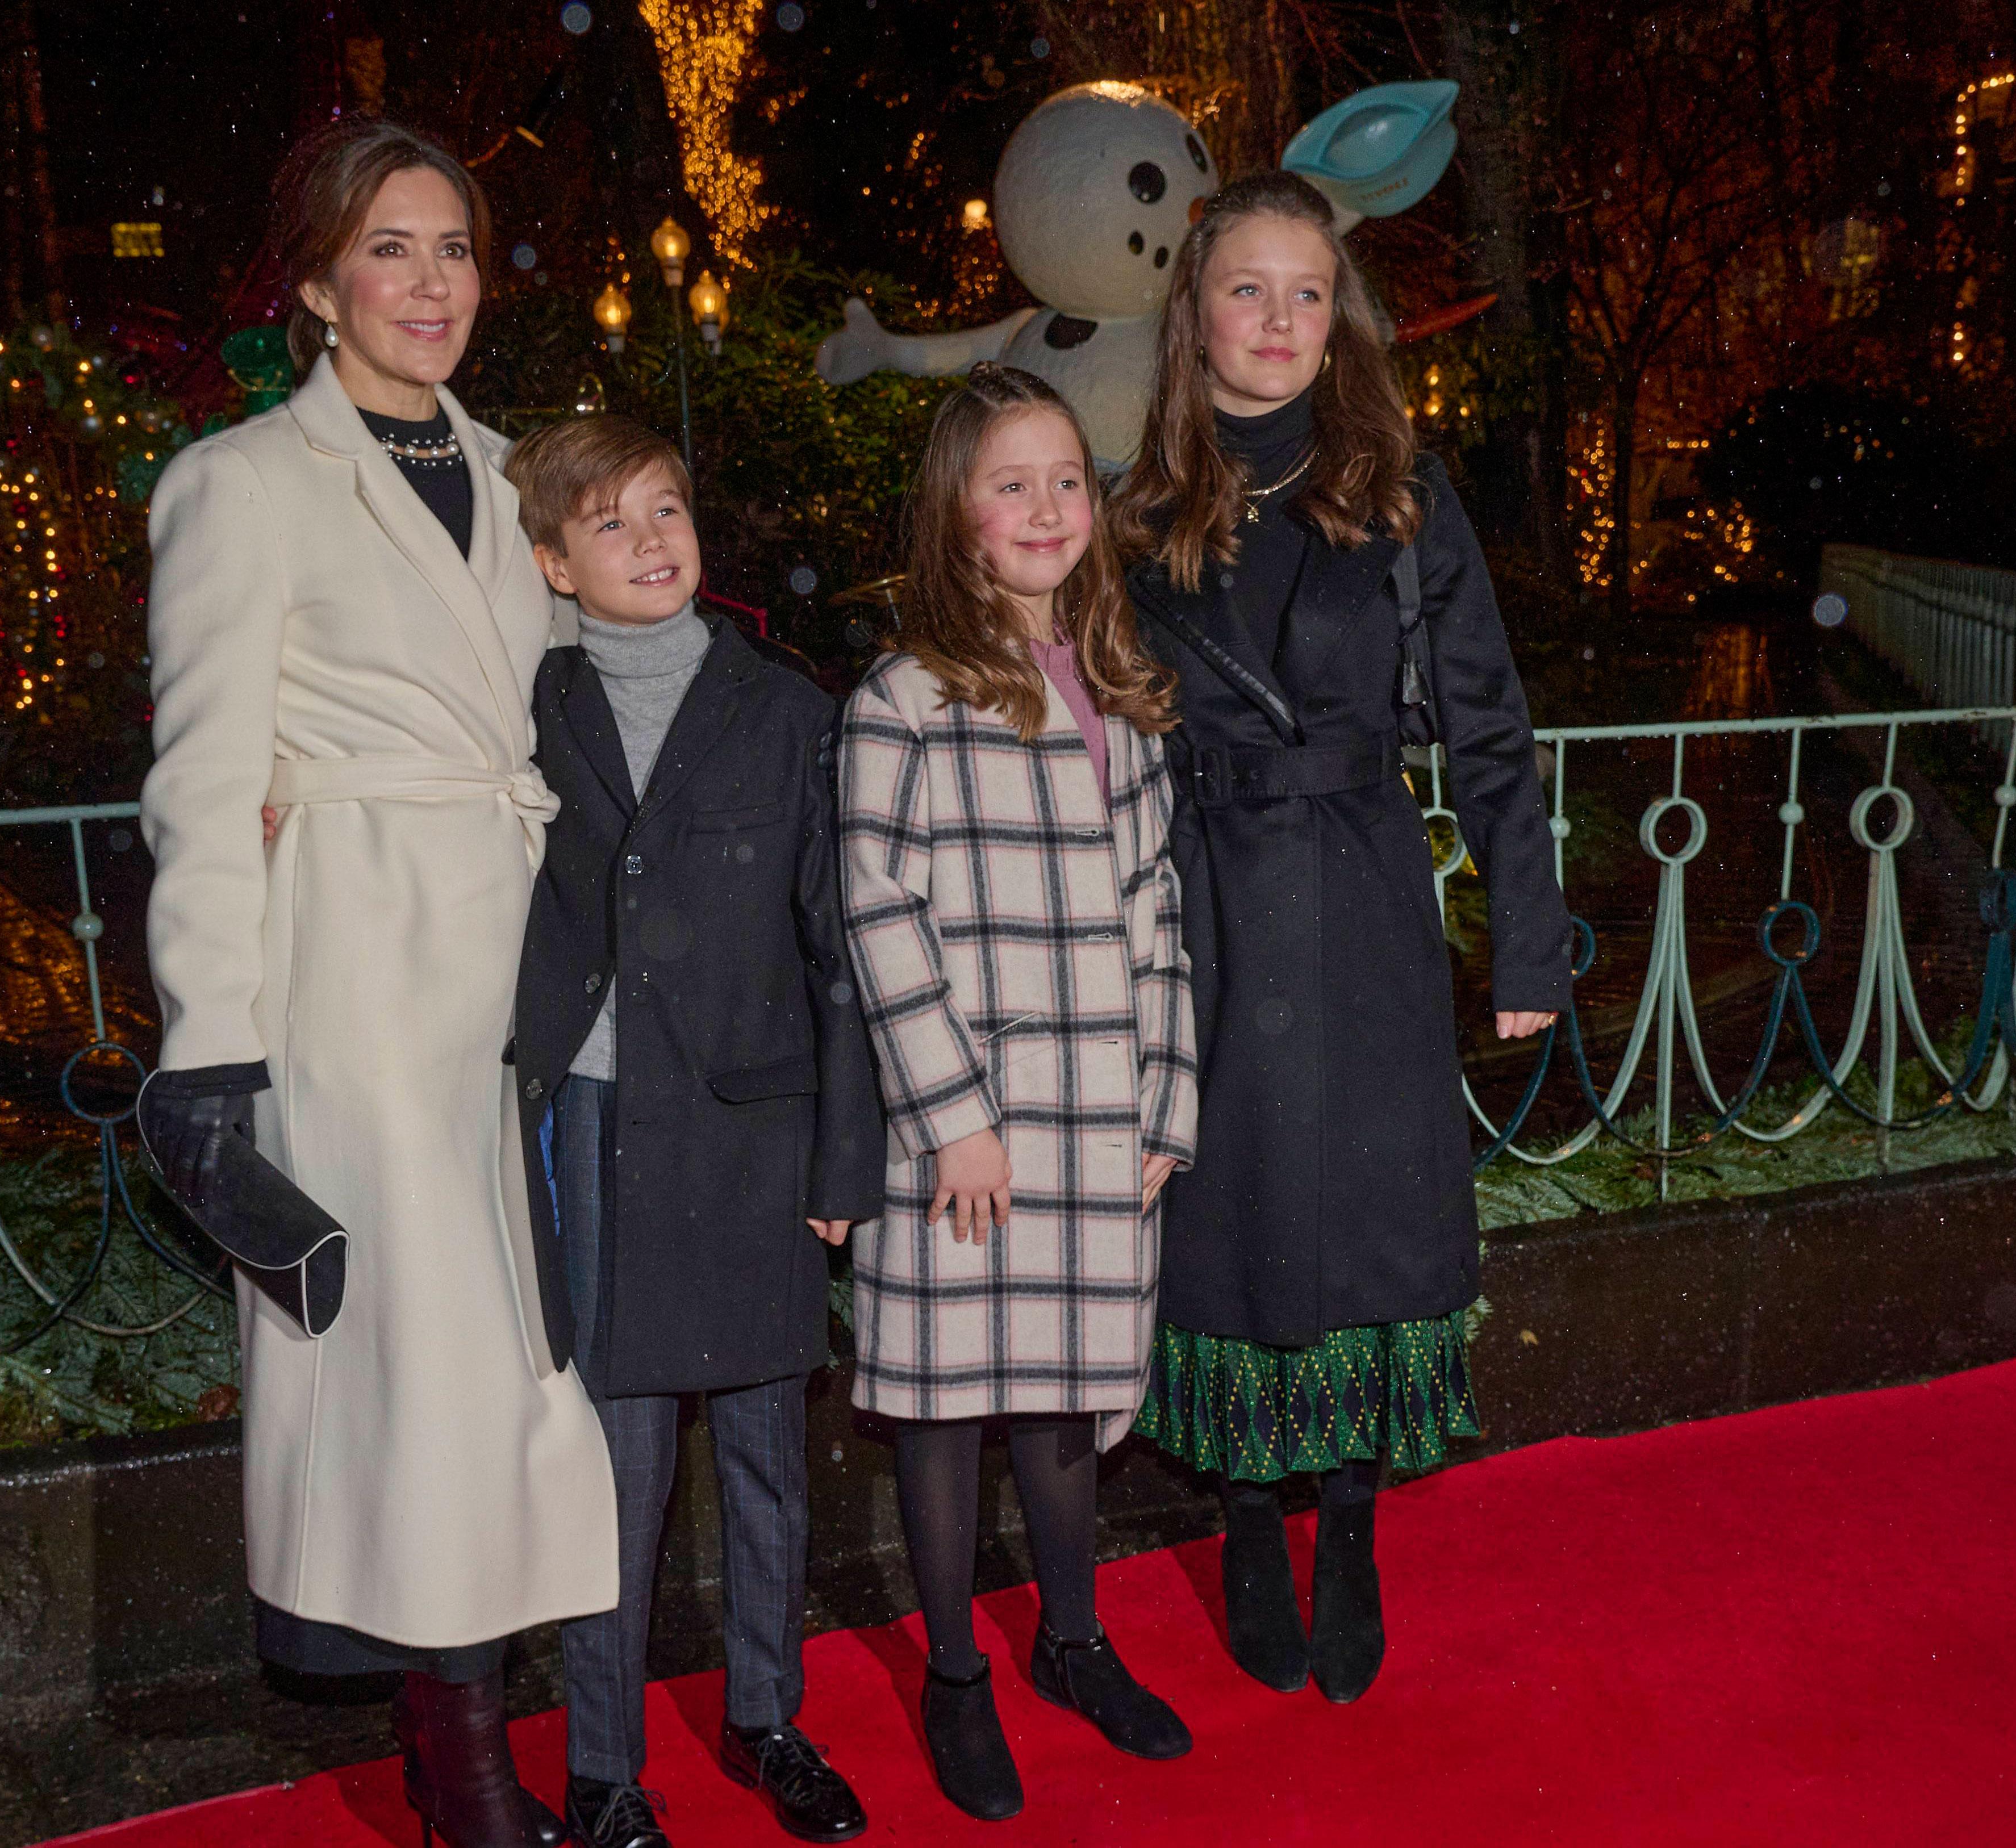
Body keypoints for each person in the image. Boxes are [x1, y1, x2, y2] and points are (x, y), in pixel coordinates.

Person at [137, 118, 614, 1848]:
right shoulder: (241, 481)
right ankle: (469, 1753)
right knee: (424, 1374)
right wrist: (209, 1051)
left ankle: (462, 1728)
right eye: (393, 248)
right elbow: (197, 786)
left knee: (526, 1360)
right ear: (322, 280)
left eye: (458, 249)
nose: (432, 284)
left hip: (519, 965)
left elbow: (589, 679)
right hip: (353, 969)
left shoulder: (517, 472)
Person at [1107, 172, 1568, 1707]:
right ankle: (1249, 1509)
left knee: (1372, 1214)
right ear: (1197, 312)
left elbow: (1493, 731)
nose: (1282, 321)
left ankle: (1351, 1521)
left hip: (1366, 892)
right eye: (1249, 288)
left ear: (1343, 317)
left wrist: (1532, 947)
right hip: (1207, 904)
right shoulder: (1135, 511)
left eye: (1310, 292)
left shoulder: (1400, 493)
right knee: (1228, 1220)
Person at [503, 413, 882, 1848]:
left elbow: (836, 945)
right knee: (616, 1464)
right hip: (597, 1128)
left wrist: (849, 1156)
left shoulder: (786, 711)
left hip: (752, 1131)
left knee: (768, 1458)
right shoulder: (525, 705)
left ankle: (768, 1718)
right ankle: (602, 1770)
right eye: (608, 522)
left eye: (666, 507)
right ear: (551, 559)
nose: (652, 539)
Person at [837, 363, 1199, 1822]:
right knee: (942, 1411)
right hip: (966, 1132)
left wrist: (1164, 1106)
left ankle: (1068, 1640)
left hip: (1098, 1113)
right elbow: (876, 913)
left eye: (1064, 480)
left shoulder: (1118, 685)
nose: (1043, 506)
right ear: (955, 515)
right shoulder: (903, 697)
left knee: (1057, 1400)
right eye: (1008, 483)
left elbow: (1156, 907)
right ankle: (951, 1674)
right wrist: (952, 1115)